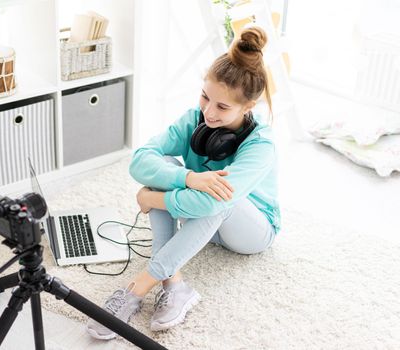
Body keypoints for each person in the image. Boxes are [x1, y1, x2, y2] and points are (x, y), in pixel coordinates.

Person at [87, 26, 280, 340]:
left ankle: (136, 289)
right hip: (201, 219)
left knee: (221, 199)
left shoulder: (261, 146)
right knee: (166, 166)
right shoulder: (195, 119)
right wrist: (187, 177)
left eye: (222, 107)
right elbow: (142, 159)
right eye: (205, 97)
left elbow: (213, 203)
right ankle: (175, 285)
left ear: (247, 108)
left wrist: (153, 199)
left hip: (251, 231)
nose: (207, 112)